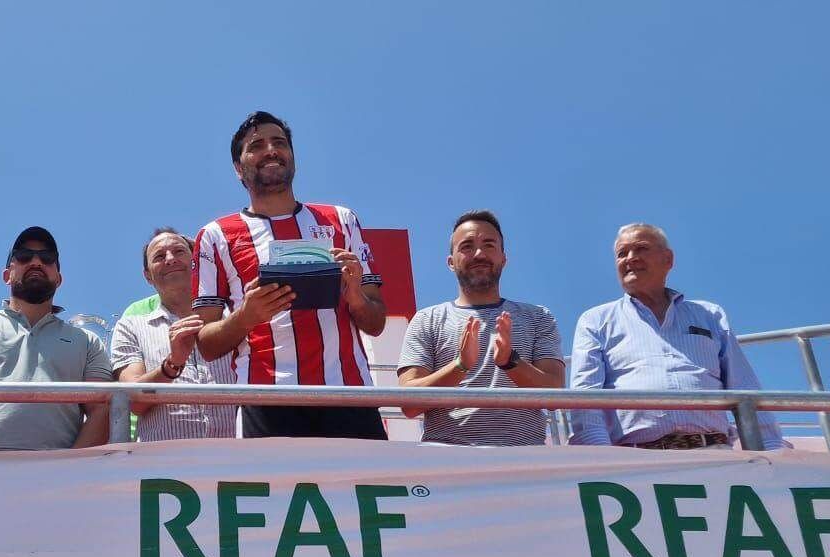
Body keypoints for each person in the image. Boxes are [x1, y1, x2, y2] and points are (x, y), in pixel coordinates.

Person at [192, 110, 388, 439]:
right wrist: (245, 317)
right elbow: (207, 345)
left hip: (348, 395)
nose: (270, 150)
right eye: (256, 145)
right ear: (239, 168)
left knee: (359, 490)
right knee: (276, 493)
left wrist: (354, 296)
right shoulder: (215, 235)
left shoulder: (341, 219)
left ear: (292, 158)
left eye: (279, 143)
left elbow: (376, 322)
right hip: (265, 400)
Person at [569, 223, 786, 449]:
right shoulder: (595, 320)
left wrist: (770, 449)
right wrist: (600, 454)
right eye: (622, 253)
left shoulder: (709, 314)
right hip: (636, 462)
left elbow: (744, 387)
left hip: (715, 455)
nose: (630, 258)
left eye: (641, 248)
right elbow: (585, 396)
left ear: (668, 260)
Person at [0, 226, 112, 448]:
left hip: (61, 476)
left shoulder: (87, 341)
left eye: (47, 258)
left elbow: (102, 409)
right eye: (24, 256)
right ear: (7, 275)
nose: (36, 262)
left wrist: (72, 468)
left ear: (59, 279)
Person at [398, 210, 565, 445]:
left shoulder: (538, 317)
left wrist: (510, 361)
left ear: (503, 258)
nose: (479, 254)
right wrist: (460, 366)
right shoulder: (427, 319)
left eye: (488, 245)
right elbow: (408, 403)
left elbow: (556, 395)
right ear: (450, 262)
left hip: (525, 466)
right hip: (446, 465)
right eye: (466, 246)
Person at [110, 228, 237, 440]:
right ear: (148, 276)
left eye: (179, 251)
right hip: (164, 465)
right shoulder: (130, 326)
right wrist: (173, 364)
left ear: (196, 263)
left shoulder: (234, 317)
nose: (170, 259)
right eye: (159, 256)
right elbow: (131, 402)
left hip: (239, 461)